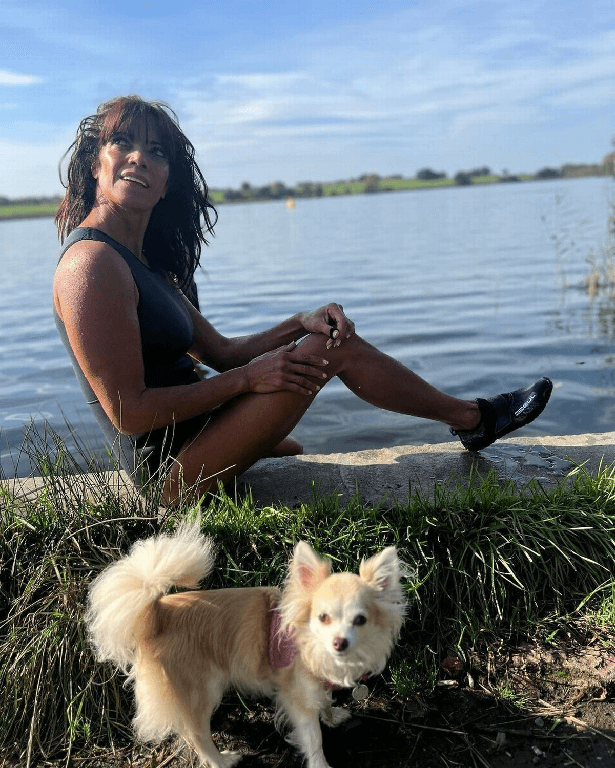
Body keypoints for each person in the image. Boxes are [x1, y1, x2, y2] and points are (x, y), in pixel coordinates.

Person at [53, 95, 553, 505]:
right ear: (94, 162)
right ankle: (474, 418)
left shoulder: (146, 264)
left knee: (297, 429)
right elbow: (131, 414)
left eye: (157, 151)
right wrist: (250, 379)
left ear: (166, 182)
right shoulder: (91, 266)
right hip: (169, 477)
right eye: (123, 142)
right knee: (330, 352)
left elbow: (221, 352)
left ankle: (470, 418)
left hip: (198, 434)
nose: (140, 157)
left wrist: (300, 322)